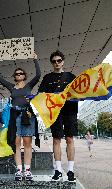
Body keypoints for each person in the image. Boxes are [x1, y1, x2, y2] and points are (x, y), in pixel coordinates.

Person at [0, 53, 40, 181]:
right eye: (17, 74)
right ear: (15, 77)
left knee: (27, 143)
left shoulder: (29, 86)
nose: (19, 75)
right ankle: (19, 170)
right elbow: (0, 78)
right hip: (15, 116)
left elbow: (38, 75)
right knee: (16, 143)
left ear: (24, 75)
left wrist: (35, 59)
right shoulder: (11, 87)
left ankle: (28, 171)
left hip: (27, 115)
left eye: (21, 73)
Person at [38, 50, 78, 182]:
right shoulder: (47, 78)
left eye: (59, 60)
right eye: (54, 61)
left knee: (70, 139)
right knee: (56, 139)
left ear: (63, 61)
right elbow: (40, 95)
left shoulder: (71, 76)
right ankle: (58, 170)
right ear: (51, 63)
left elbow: (80, 90)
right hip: (54, 112)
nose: (56, 63)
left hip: (70, 110)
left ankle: (71, 171)